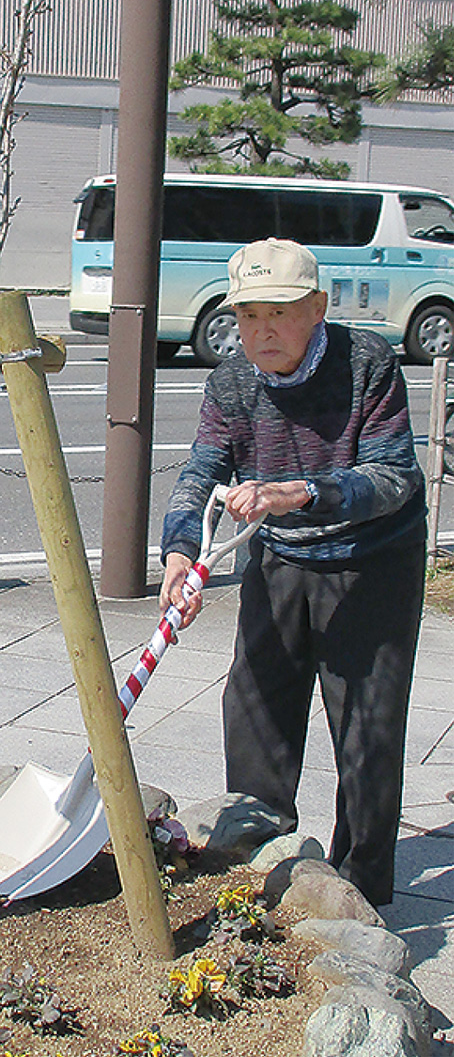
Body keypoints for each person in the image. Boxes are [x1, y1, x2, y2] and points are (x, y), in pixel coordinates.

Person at [159, 237, 426, 907]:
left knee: (365, 724)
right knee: (255, 704)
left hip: (372, 560)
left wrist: (300, 491)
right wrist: (179, 553)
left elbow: (393, 476)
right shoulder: (231, 381)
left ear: (318, 307)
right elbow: (201, 472)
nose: (262, 330)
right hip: (280, 554)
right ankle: (260, 857)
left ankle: (360, 889)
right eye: (248, 315)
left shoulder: (367, 362)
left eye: (279, 312)